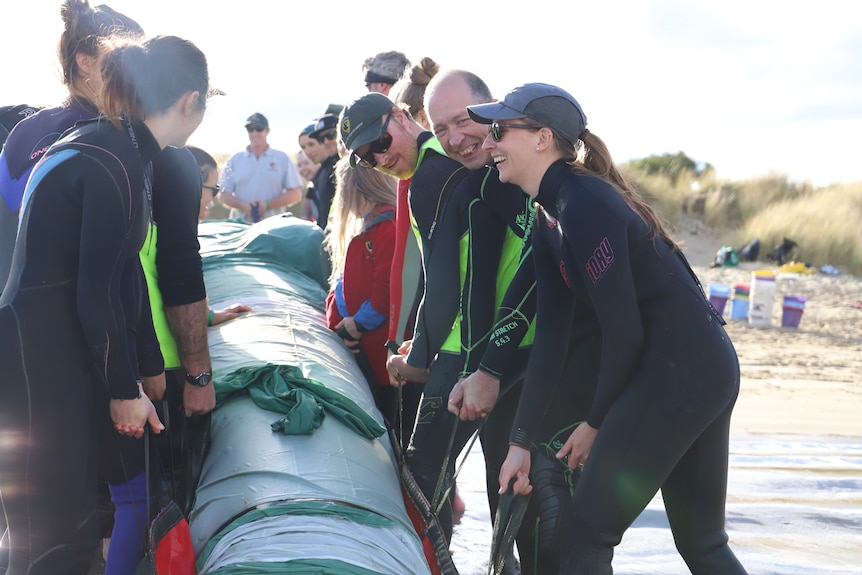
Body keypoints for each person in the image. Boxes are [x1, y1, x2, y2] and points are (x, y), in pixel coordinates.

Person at [468, 83, 749, 574]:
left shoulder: (587, 204)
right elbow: (552, 339)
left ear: (542, 139)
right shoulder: (549, 215)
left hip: (680, 375)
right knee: (702, 544)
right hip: (704, 369)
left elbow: (625, 334)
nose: (488, 144)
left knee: (586, 534)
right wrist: (519, 444)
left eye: (499, 130)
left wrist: (594, 423)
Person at [0, 33, 211, 575]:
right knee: (52, 538)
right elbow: (97, 288)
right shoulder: (110, 156)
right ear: (191, 101)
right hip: (38, 366)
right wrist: (123, 392)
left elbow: (125, 274)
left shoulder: (116, 147)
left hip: (54, 351)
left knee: (92, 516)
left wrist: (142, 368)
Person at [339, 92, 506, 550]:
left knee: (422, 474)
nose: (379, 156)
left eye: (380, 140)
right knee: (502, 475)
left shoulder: (431, 176)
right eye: (366, 156)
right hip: (502, 342)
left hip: (463, 348)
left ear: (399, 116)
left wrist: (419, 358)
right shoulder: (445, 165)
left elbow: (445, 286)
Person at [424, 68, 539, 574]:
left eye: (460, 121)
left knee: (545, 516)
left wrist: (485, 370)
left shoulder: (535, 170)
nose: (452, 138)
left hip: (549, 359)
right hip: (506, 356)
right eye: (440, 129)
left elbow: (535, 277)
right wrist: (481, 370)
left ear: (490, 106)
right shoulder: (482, 183)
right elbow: (480, 290)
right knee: (503, 499)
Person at [323, 158, 421, 443]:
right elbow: (340, 287)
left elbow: (386, 295)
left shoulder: (387, 227)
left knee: (401, 440)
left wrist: (354, 325)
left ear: (353, 189)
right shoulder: (367, 230)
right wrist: (341, 324)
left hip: (389, 363)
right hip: (370, 356)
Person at [217, 112, 302, 223]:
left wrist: (267, 205)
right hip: (241, 227)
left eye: (259, 129)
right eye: (250, 129)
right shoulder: (235, 159)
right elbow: (223, 195)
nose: (254, 133)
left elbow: (296, 194)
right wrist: (244, 206)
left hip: (274, 226)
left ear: (267, 131)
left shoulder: (282, 158)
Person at [307, 112, 340, 229]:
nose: (326, 141)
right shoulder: (324, 169)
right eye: (321, 139)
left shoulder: (352, 165)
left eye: (331, 135)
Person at [295, 148, 320, 222]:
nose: (302, 169)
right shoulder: (312, 186)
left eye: (306, 163)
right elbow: (304, 217)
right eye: (299, 165)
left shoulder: (327, 183)